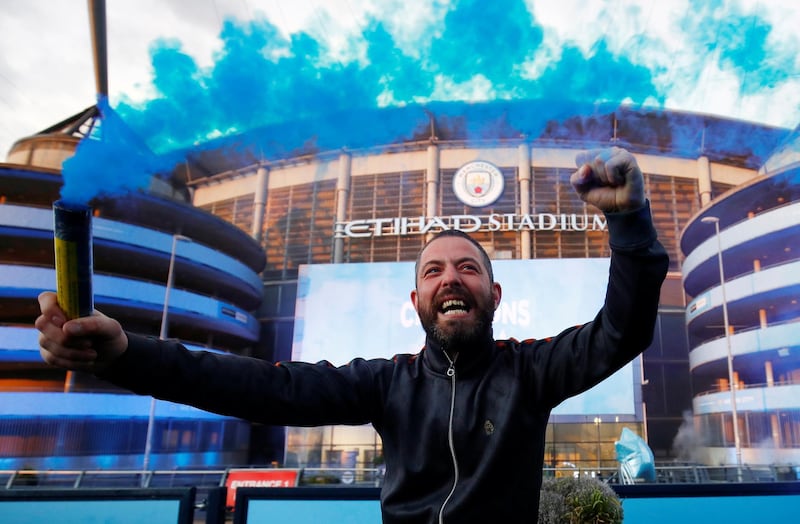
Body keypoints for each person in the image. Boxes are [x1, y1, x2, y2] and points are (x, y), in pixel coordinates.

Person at [37, 147, 668, 523]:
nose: (452, 279)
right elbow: (259, 388)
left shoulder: (531, 372)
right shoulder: (385, 383)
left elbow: (622, 330)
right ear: (416, 300)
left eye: (469, 268)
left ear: (495, 296)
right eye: (434, 271)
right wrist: (124, 355)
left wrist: (632, 223)